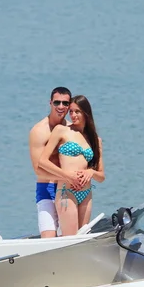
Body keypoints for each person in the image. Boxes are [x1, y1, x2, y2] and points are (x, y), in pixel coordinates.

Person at [38, 95, 105, 236]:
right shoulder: (61, 131)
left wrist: (91, 172)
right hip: (66, 192)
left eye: (77, 111)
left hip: (86, 193)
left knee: (82, 237)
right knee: (71, 239)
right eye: (71, 112)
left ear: (86, 113)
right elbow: (43, 161)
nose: (73, 115)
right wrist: (67, 175)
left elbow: (101, 176)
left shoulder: (95, 140)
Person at [29, 86, 79, 238]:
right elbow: (38, 170)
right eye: (57, 103)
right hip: (47, 188)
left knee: (71, 237)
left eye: (65, 103)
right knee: (48, 238)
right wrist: (67, 176)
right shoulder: (39, 131)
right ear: (50, 103)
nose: (61, 107)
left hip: (69, 187)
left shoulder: (73, 129)